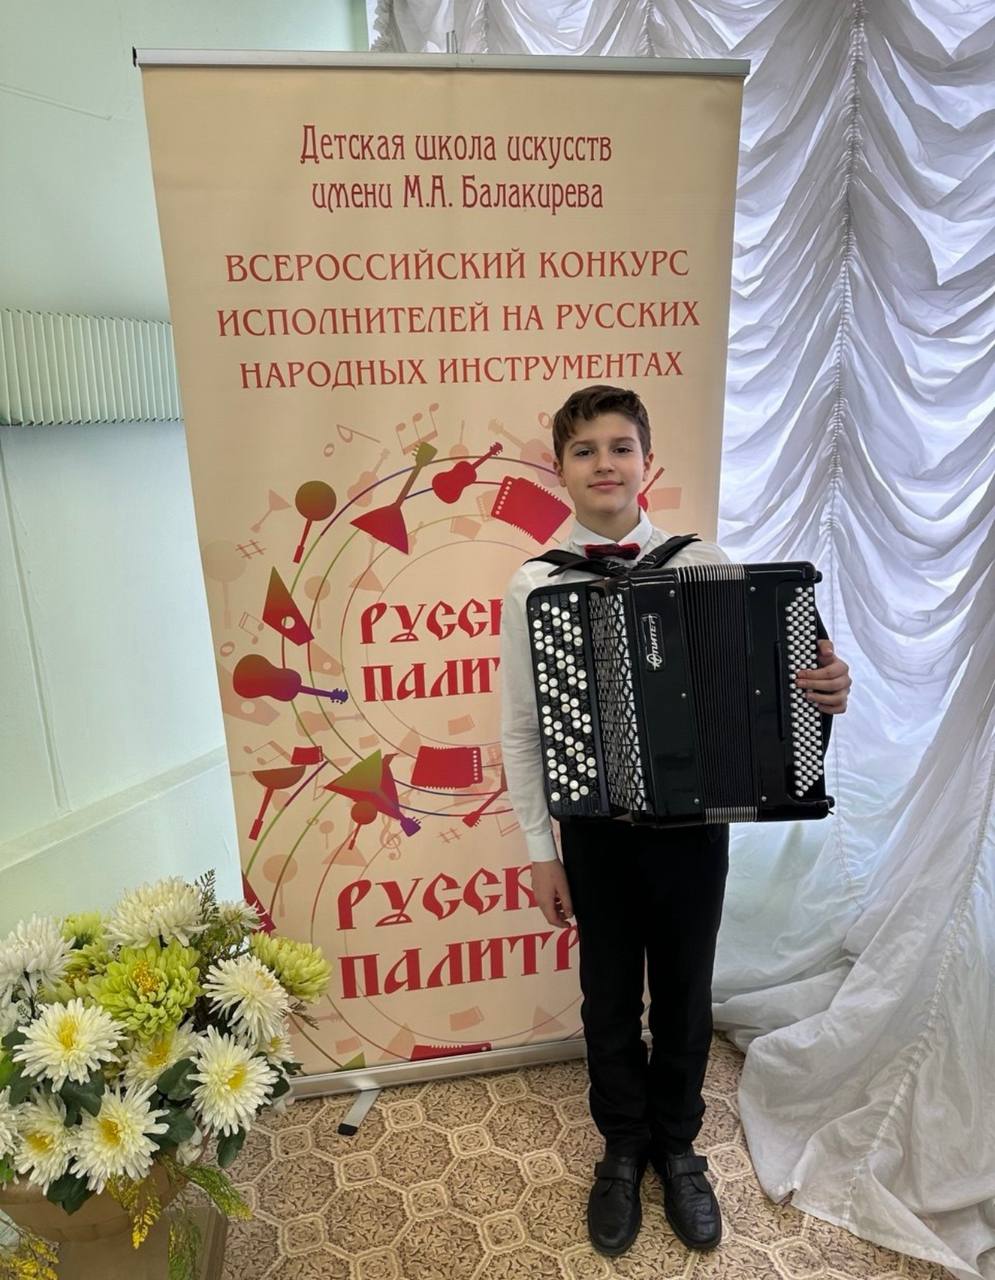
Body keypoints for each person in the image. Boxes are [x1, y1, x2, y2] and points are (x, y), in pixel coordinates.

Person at [499, 385, 851, 1257]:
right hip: (594, 833)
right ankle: (622, 1147)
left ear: (646, 463)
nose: (604, 464)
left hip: (694, 832)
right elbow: (521, 729)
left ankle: (679, 1146)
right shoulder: (534, 583)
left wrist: (823, 693)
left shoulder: (703, 561)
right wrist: (540, 852)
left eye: (620, 447)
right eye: (584, 450)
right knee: (608, 994)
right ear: (559, 469)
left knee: (687, 990)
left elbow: (763, 695)